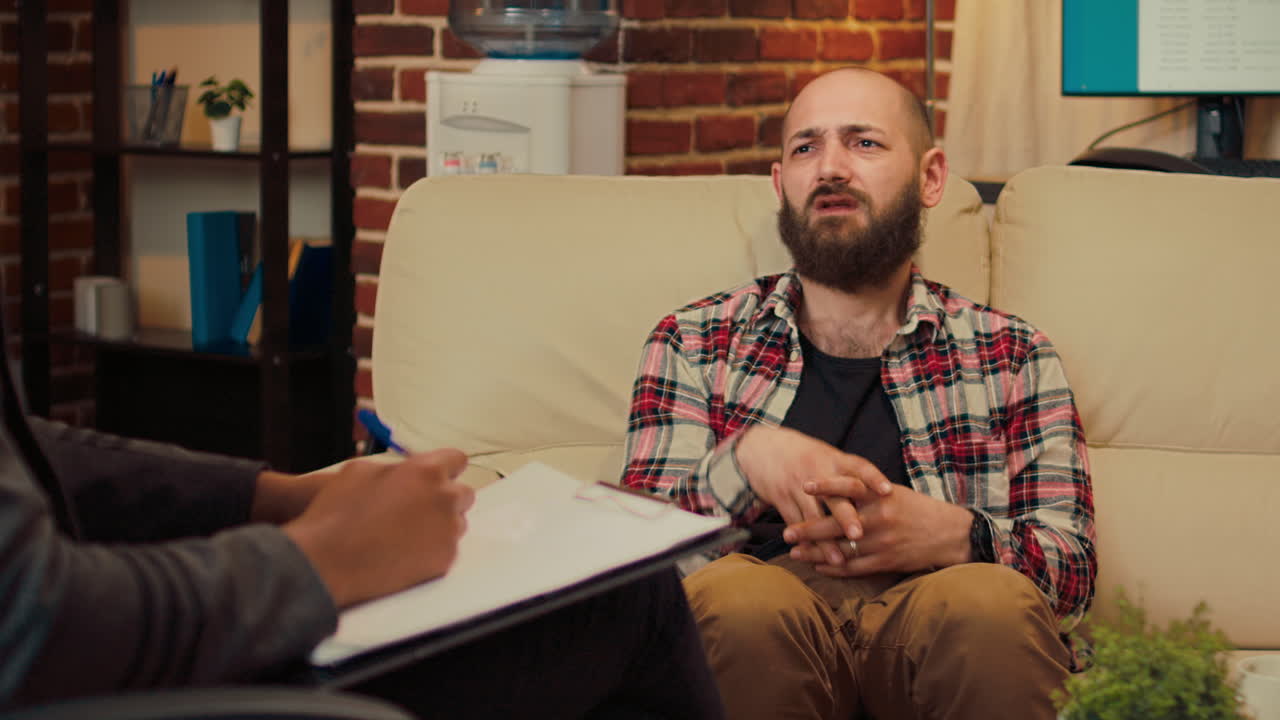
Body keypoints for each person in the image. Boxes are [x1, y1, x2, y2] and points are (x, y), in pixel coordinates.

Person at [622, 67, 1096, 720]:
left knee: (991, 609)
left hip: (938, 618)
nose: (830, 168)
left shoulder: (1012, 354)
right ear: (780, 182)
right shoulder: (695, 341)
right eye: (806, 147)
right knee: (736, 605)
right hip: (765, 620)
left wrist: (961, 538)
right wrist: (747, 460)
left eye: (864, 143)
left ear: (931, 177)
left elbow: (1071, 580)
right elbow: (631, 580)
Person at [0, 318, 723, 718]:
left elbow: (34, 447)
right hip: (89, 675)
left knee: (623, 585)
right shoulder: (697, 337)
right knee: (626, 603)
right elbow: (31, 622)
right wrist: (326, 558)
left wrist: (276, 496)